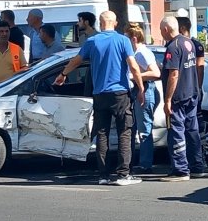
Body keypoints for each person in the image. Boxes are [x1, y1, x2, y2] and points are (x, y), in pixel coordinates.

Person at [56, 11, 145, 186]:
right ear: (116, 22)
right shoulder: (123, 40)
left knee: (102, 134)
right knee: (124, 133)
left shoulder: (92, 41)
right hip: (120, 93)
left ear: (101, 23)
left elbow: (76, 60)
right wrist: (140, 87)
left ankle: (103, 175)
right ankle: (123, 174)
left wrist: (63, 74)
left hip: (99, 93)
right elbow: (133, 66)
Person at [160, 16, 207, 181]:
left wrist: (167, 100)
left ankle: (180, 170)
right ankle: (197, 166)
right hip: (191, 93)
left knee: (176, 131)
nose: (161, 33)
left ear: (166, 29)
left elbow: (174, 73)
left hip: (179, 96)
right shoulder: (189, 43)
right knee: (192, 130)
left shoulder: (173, 47)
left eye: (161, 29)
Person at [127, 24, 161, 174]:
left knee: (144, 129)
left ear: (134, 39)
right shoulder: (138, 52)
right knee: (139, 127)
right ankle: (139, 161)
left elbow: (155, 72)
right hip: (142, 89)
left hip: (145, 90)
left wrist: (135, 76)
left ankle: (146, 164)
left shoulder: (141, 53)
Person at [176, 16, 205, 103]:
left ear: (182, 28)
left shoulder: (196, 45)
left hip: (191, 89)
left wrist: (198, 88)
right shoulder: (175, 44)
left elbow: (200, 68)